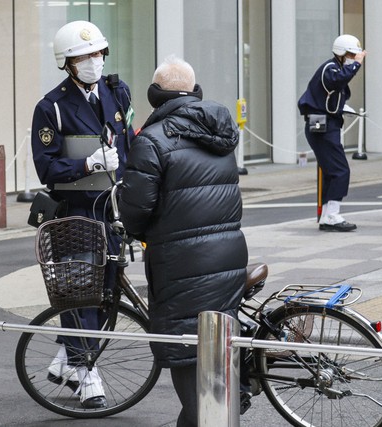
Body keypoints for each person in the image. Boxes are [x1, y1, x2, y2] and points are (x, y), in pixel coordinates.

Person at [119, 55, 248, 427]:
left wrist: (135, 230)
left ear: (154, 95)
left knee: (186, 353)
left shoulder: (153, 140)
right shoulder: (220, 132)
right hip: (228, 254)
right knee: (219, 344)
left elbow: (136, 209)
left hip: (180, 263)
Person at [31, 20, 134, 409]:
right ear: (68, 63)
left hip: (111, 209)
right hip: (74, 213)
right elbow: (46, 167)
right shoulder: (51, 107)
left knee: (105, 291)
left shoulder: (115, 93)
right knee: (80, 292)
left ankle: (64, 360)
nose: (94, 61)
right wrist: (87, 165)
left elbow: (129, 143)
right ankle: (86, 370)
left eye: (97, 54)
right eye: (84, 56)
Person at [298, 34, 367, 232]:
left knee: (331, 171)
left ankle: (328, 215)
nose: (354, 58)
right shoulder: (331, 69)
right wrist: (356, 65)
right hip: (323, 125)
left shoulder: (333, 67)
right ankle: (333, 215)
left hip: (326, 123)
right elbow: (338, 80)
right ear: (341, 52)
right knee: (340, 170)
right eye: (351, 54)